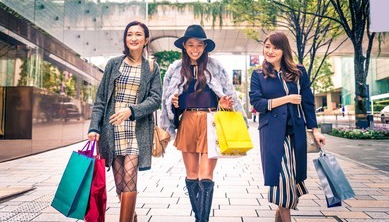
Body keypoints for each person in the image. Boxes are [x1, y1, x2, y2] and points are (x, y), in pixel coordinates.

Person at [160, 24, 247, 222]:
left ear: (205, 46)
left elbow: (227, 95)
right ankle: (200, 218)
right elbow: (169, 105)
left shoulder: (215, 67)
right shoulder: (175, 69)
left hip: (211, 121)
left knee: (206, 176)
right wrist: (174, 104)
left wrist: (224, 103)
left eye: (199, 45)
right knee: (191, 175)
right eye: (191, 45)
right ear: (184, 46)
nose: (195, 49)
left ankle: (202, 220)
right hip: (188, 122)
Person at [87, 21, 162, 222]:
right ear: (125, 39)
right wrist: (94, 127)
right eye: (130, 34)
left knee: (130, 179)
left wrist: (131, 110)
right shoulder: (114, 64)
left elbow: (156, 100)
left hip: (136, 131)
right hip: (112, 131)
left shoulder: (152, 68)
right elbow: (101, 99)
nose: (134, 38)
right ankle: (132, 216)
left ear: (146, 40)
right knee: (120, 183)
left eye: (139, 34)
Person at [249, 32, 326, 222]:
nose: (270, 51)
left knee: (295, 178)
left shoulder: (299, 72)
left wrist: (315, 130)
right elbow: (258, 103)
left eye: (275, 47)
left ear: (284, 50)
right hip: (273, 133)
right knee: (282, 178)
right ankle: (286, 217)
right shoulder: (258, 74)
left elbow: (307, 103)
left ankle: (280, 212)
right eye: (267, 46)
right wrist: (287, 99)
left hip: (296, 131)